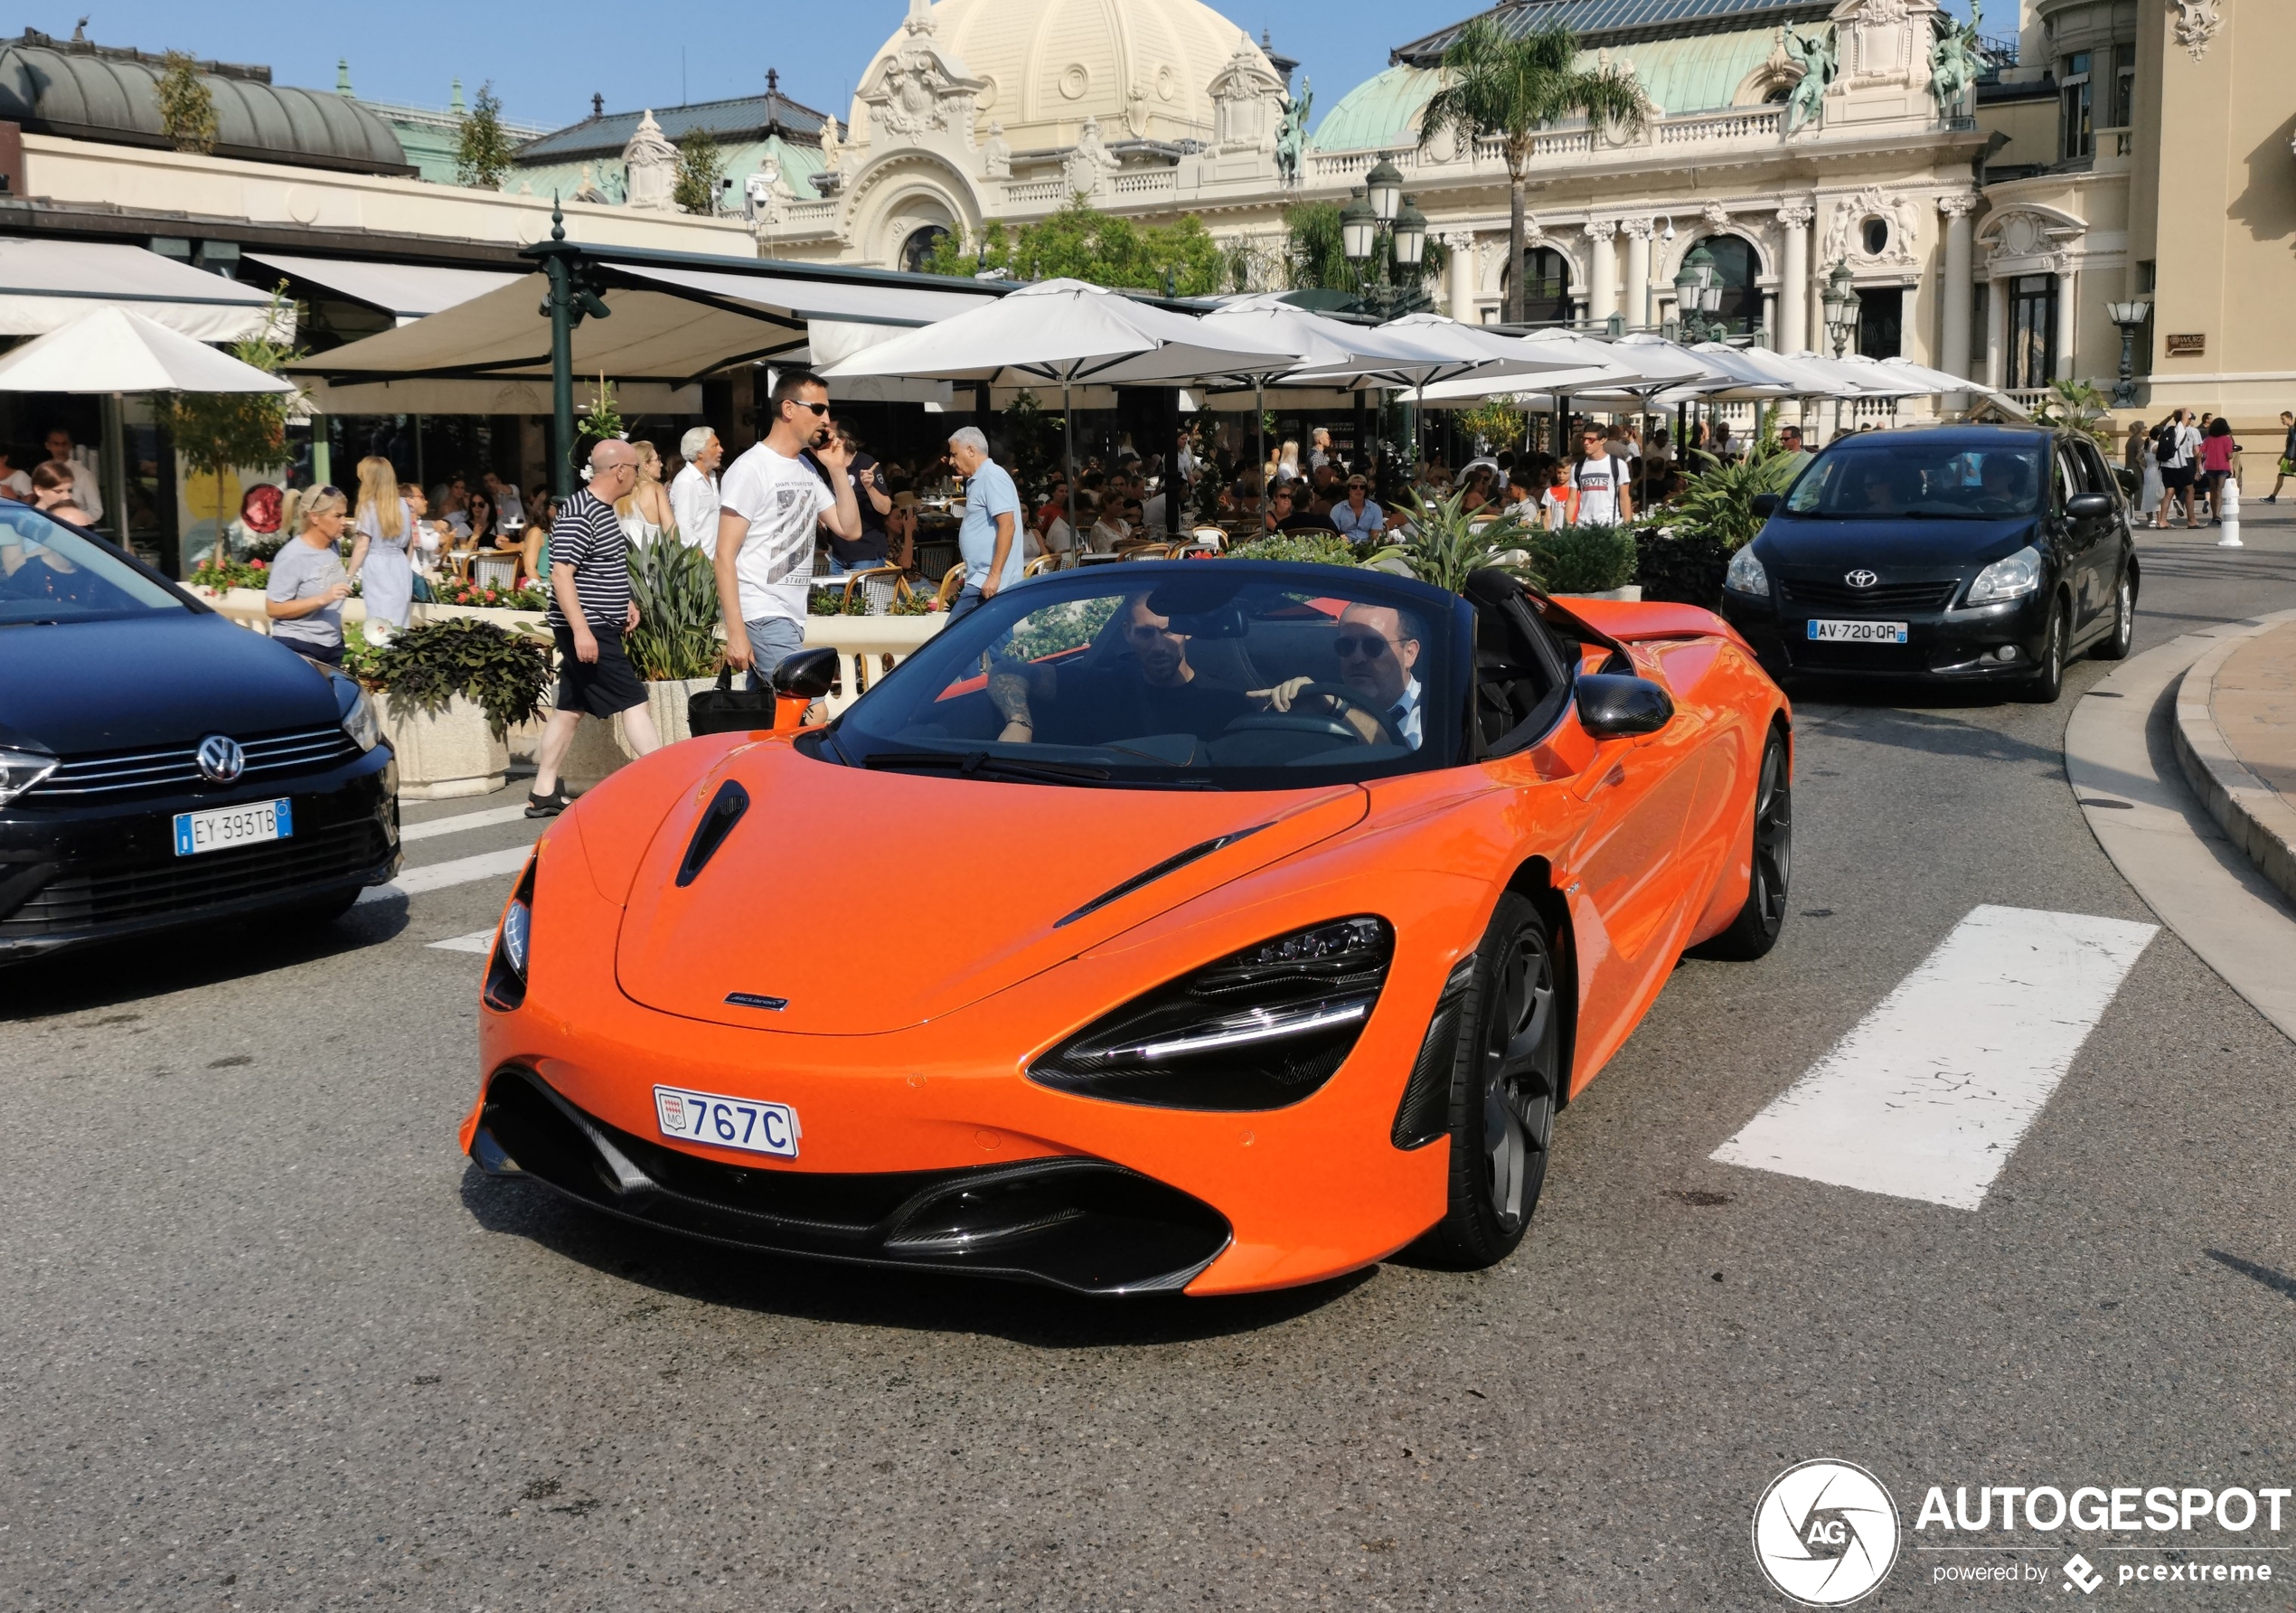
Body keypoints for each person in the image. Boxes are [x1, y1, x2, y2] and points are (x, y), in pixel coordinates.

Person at [529, 440, 661, 817]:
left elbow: (599, 569)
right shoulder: (579, 512)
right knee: (635, 700)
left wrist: (626, 602)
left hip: (598, 622)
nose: (637, 476)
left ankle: (542, 792)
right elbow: (561, 574)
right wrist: (582, 631)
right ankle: (667, 777)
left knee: (570, 709)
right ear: (619, 470)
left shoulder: (601, 510)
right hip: (589, 628)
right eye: (635, 468)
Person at [716, 370, 861, 688]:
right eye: (819, 408)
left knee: (771, 713)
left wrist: (837, 470)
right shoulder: (750, 469)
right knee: (810, 707)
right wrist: (736, 633)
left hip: (792, 613)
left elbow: (849, 529)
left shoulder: (806, 467)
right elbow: (724, 555)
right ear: (789, 408)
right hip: (762, 611)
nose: (827, 419)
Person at [988, 592, 1254, 747]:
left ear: (1188, 631)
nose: (1159, 646)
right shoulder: (1100, 686)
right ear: (1128, 633)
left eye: (1168, 631)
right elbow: (1008, 671)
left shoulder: (1225, 700)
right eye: (1146, 633)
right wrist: (1019, 723)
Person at [1257, 600, 1426, 750]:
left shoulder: (1437, 712)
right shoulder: (1321, 705)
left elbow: (1411, 762)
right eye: (1346, 646)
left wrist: (1335, 708)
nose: (1357, 658)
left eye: (1373, 646)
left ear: (1409, 653)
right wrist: (1282, 712)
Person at [263, 486, 354, 665]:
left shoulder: (333, 545)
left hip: (332, 645)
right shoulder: (293, 555)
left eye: (345, 515)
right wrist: (322, 599)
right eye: (337, 516)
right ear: (314, 517)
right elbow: (273, 608)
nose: (344, 522)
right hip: (299, 645)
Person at [946, 424, 1020, 625]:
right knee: (987, 647)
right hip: (984, 580)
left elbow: (1007, 526)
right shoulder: (982, 478)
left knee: (952, 642)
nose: (951, 461)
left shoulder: (991, 476)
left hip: (987, 581)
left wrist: (994, 576)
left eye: (954, 454)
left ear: (970, 450)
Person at [347, 455, 415, 641]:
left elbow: (362, 545)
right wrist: (404, 566)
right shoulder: (403, 505)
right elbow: (411, 544)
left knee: (379, 620)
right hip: (399, 564)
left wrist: (348, 576)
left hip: (377, 564)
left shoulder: (368, 507)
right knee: (399, 620)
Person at [825, 422, 893, 573]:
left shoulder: (865, 463)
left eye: (829, 434)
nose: (825, 437)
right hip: (838, 554)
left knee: (865, 598)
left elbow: (886, 508)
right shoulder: (832, 466)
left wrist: (869, 487)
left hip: (865, 553)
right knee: (835, 598)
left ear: (842, 439)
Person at [670, 425, 723, 555]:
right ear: (699, 452)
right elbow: (684, 532)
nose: (721, 450)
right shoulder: (686, 482)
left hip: (715, 559)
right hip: (699, 567)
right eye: (714, 446)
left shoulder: (711, 476)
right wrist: (704, 563)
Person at [1570, 426, 1633, 527]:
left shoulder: (1618, 465)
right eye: (1584, 439)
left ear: (1603, 440)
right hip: (1583, 527)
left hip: (1610, 525)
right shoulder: (1577, 467)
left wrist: (1628, 525)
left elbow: (1624, 498)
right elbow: (1572, 500)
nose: (1586, 443)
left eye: (1590, 440)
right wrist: (1568, 525)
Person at [40, 428, 102, 524]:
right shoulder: (43, 473)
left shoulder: (84, 475)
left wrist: (73, 519)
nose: (61, 449)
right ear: (48, 446)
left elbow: (96, 511)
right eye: (56, 444)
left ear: (70, 446)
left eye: (64, 444)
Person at [617, 440, 673, 545]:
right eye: (657, 460)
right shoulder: (655, 488)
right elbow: (671, 532)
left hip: (625, 558)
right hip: (652, 557)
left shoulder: (620, 491)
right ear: (645, 465)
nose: (661, 464)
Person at [2158, 409, 2202, 527]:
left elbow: (2159, 426)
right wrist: (2183, 411)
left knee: (2169, 491)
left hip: (2166, 465)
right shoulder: (2180, 429)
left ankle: (2162, 521)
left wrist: (2171, 415)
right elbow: (2186, 411)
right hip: (2180, 464)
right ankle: (2191, 520)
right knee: (2189, 490)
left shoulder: (2167, 429)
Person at [29, 460, 95, 527]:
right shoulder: (29, 521)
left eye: (69, 490)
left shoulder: (73, 514)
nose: (67, 497)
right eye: (59, 491)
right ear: (39, 490)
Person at [2198, 418, 2240, 524]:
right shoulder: (2227, 439)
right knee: (2219, 491)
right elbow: (2229, 455)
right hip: (2222, 467)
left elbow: (2201, 452)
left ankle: (2214, 515)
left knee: (2212, 491)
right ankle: (2217, 514)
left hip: (2210, 467)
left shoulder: (2208, 439)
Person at [1331, 475, 1384, 542]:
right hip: (1344, 547)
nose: (1358, 489)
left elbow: (1375, 536)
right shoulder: (1337, 509)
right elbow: (1334, 535)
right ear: (1348, 490)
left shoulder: (1375, 509)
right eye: (1354, 487)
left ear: (1365, 490)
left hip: (1368, 547)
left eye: (1362, 487)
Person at [2135, 427, 2165, 528]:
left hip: (2148, 471)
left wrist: (2146, 464)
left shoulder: (2147, 444)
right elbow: (2162, 458)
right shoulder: (2156, 445)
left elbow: (2138, 458)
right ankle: (2160, 519)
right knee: (2158, 494)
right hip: (2157, 470)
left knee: (2148, 493)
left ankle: (2149, 519)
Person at [2266, 411, 2296, 504]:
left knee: (2281, 476)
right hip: (2288, 457)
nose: (2282, 421)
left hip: (2290, 458)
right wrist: (2282, 457)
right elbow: (2289, 447)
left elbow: (2293, 445)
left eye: (2283, 419)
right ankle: (2272, 497)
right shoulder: (2291, 430)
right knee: (2281, 476)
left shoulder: (2292, 430)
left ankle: (2273, 497)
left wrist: (2292, 459)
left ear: (2289, 418)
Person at [1540, 461, 1579, 530]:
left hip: (1572, 530)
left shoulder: (1577, 491)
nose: (1561, 475)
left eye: (1565, 473)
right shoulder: (1549, 491)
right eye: (1559, 472)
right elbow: (1548, 516)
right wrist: (1545, 532)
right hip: (1554, 531)